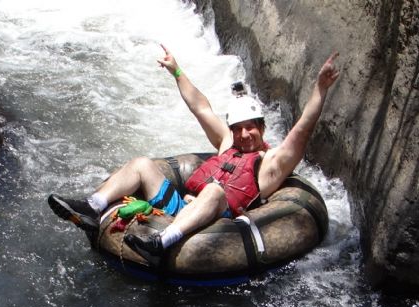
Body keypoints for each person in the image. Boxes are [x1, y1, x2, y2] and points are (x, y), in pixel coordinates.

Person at [48, 45, 340, 267]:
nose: (244, 134)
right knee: (141, 164)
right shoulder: (228, 143)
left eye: (251, 128)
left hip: (217, 223)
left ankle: (162, 242)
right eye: (238, 129)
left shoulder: (271, 163)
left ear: (262, 128)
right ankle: (91, 206)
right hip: (180, 207)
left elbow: (301, 131)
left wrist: (320, 90)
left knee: (213, 190)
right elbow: (201, 108)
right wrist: (177, 71)